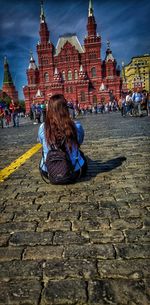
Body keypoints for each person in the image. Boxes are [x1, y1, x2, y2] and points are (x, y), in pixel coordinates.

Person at [38, 94, 87, 183]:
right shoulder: (76, 126)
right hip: (74, 171)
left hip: (49, 172)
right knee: (82, 155)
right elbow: (79, 142)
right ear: (65, 109)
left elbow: (42, 143)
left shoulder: (43, 127)